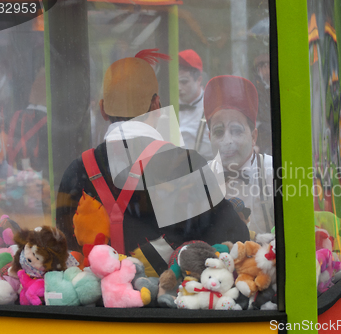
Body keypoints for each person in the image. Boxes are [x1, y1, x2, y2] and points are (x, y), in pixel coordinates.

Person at [56, 56, 249, 277]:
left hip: (96, 307)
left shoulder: (76, 171)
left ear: (102, 109)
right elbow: (235, 242)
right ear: (156, 106)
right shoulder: (184, 165)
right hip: (166, 307)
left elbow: (66, 253)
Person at [205, 75, 274, 235]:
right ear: (209, 138)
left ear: (253, 136)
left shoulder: (273, 173)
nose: (227, 141)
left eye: (236, 130)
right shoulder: (201, 180)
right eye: (219, 132)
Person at [178, 49, 212, 160]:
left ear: (199, 80)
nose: (178, 88)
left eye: (184, 82)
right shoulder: (167, 105)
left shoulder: (212, 108)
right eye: (175, 82)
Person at [253, 53, 272, 155]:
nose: (268, 71)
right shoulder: (254, 88)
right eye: (265, 67)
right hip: (261, 137)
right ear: (259, 69)